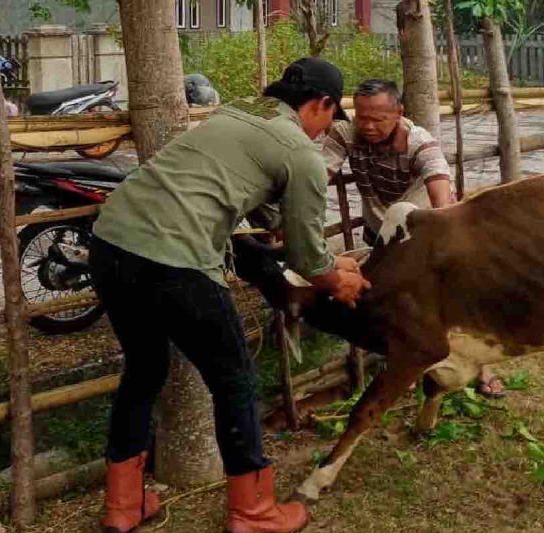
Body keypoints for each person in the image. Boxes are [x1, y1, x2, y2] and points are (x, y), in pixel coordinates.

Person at [89, 57, 371, 533]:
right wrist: (336, 277)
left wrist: (297, 242)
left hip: (111, 244)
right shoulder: (300, 153)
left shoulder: (239, 112)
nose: (325, 131)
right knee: (235, 379)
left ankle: (124, 503)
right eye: (330, 119)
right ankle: (253, 511)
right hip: (174, 261)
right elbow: (308, 259)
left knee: (144, 369)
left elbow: (246, 193)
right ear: (322, 104)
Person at [321, 79, 506, 398]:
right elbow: (319, 174)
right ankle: (397, 360)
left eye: (377, 119)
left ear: (399, 112)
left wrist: (449, 240)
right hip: (378, 232)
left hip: (422, 235)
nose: (367, 126)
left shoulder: (420, 144)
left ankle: (482, 366)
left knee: (448, 303)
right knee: (381, 300)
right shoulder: (346, 133)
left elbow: (442, 197)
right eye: (361, 116)